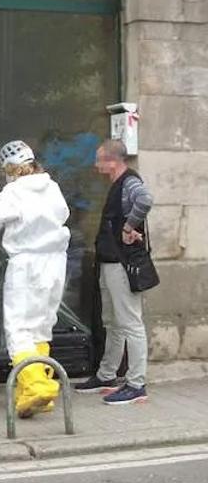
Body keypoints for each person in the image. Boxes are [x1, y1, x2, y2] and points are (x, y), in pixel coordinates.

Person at [0, 141, 68, 418]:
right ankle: (31, 388)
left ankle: (38, 386)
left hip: (26, 263)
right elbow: (64, 214)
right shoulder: (52, 187)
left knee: (18, 329)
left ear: (9, 168)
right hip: (55, 262)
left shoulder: (13, 191)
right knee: (41, 328)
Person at [75, 139, 155, 405]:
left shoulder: (129, 182)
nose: (96, 165)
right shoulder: (117, 185)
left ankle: (136, 383)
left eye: (99, 160)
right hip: (109, 262)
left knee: (130, 322)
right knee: (112, 322)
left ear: (113, 161)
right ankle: (107, 374)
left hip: (122, 263)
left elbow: (145, 199)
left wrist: (128, 226)